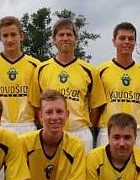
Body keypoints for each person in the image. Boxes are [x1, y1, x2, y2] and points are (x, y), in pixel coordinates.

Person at [29, 18, 106, 151]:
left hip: (80, 133)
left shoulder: (89, 70)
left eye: (69, 35)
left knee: (81, 172)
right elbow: (36, 104)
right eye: (61, 35)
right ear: (54, 40)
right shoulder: (41, 69)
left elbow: (96, 106)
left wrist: (86, 126)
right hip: (51, 133)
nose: (65, 38)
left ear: (76, 39)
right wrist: (46, 125)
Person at [0, 16, 40, 135]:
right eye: (5, 36)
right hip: (0, 125)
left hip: (28, 125)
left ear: (21, 36)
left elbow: (39, 104)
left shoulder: (35, 65)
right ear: (0, 38)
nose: (9, 40)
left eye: (13, 35)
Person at [95, 22, 140, 150]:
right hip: (108, 131)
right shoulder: (100, 71)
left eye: (131, 39)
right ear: (114, 41)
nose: (127, 42)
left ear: (135, 42)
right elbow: (97, 105)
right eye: (122, 38)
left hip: (138, 131)